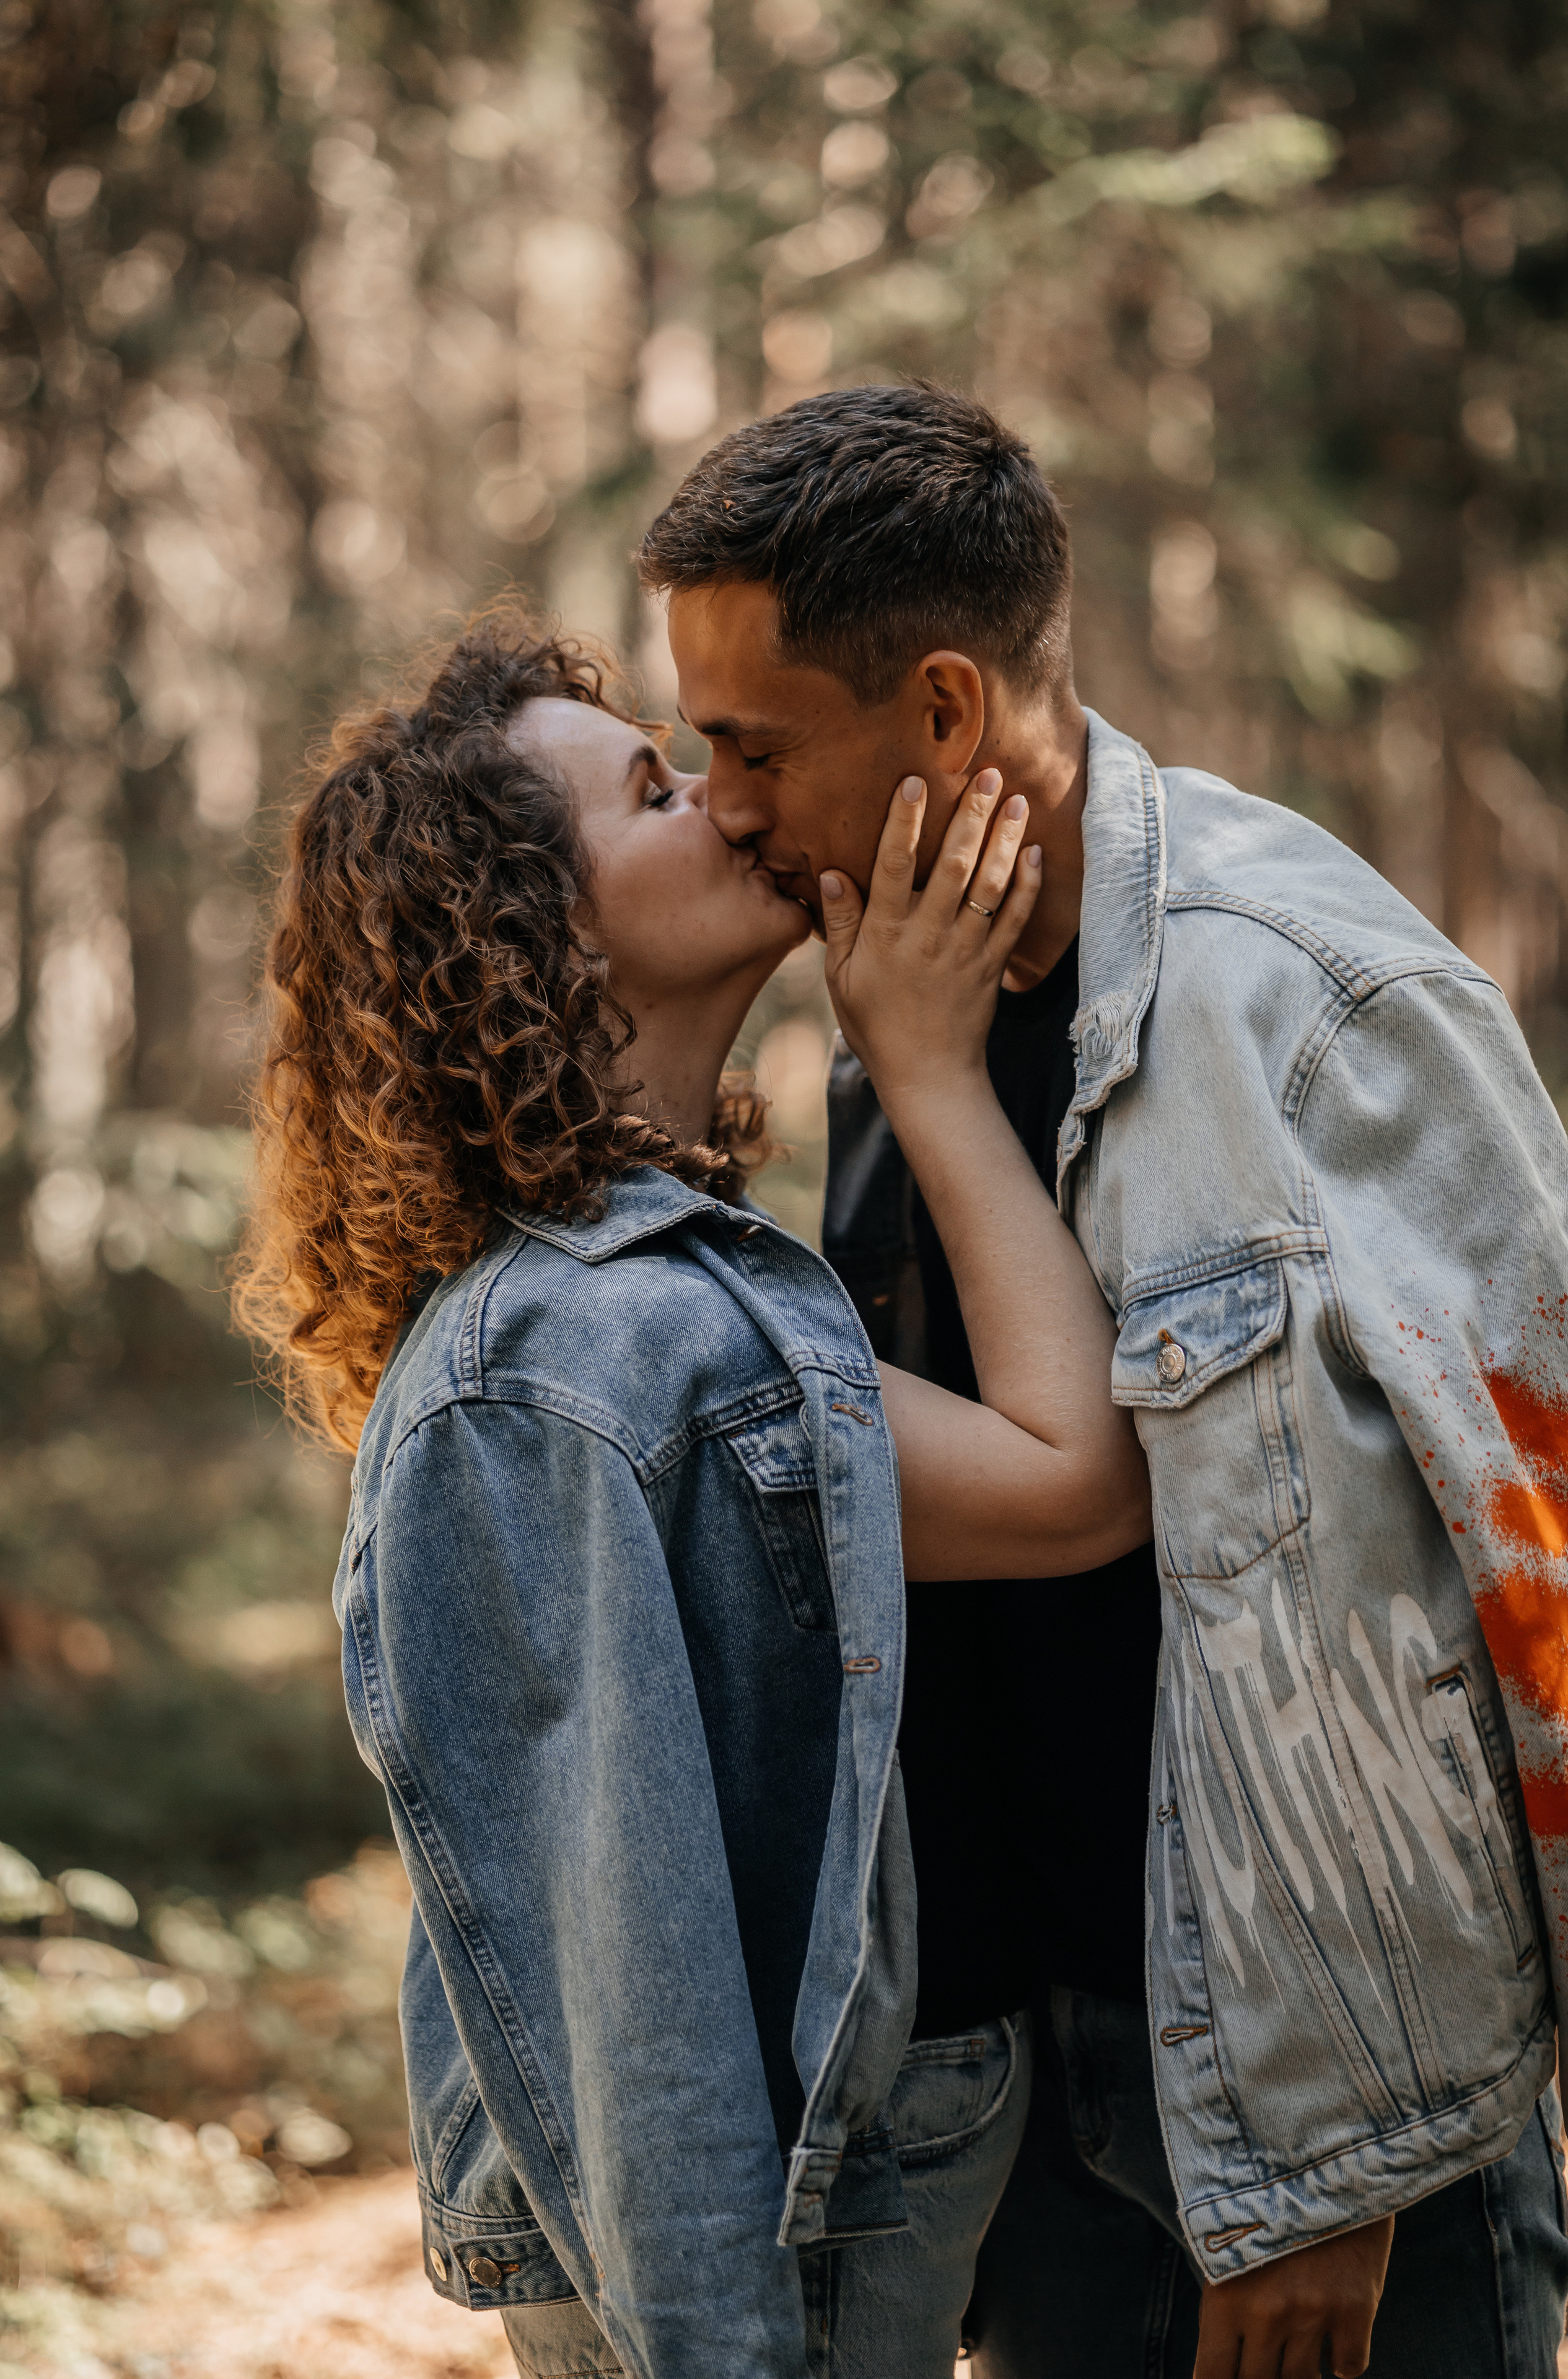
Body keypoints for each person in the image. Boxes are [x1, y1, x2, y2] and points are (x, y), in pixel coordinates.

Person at [637, 380, 1568, 2378]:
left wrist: (1335, 2162)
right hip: (1037, 2129)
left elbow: (1553, 1590)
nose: (722, 802)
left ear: (951, 714)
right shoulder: (905, 995)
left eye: (753, 745)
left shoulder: (1326, 1006)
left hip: (1342, 2135)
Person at [234, 611, 1153, 2379]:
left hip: (835, 2235)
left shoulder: (660, 1302)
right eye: (658, 791)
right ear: (534, 941)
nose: (734, 807)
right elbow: (630, 1999)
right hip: (745, 2291)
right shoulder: (565, 1367)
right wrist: (939, 1071)